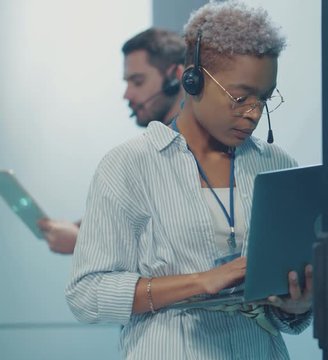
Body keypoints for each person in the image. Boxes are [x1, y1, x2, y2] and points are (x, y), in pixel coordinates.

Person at [65, 2, 313, 359]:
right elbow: (86, 294)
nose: (254, 113)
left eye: (265, 98)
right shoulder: (130, 165)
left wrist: (296, 305)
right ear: (192, 81)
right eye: (239, 97)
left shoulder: (277, 165)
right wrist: (200, 282)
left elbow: (287, 314)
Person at [38, 27, 186, 254]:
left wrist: (82, 242)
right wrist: (84, 228)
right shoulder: (147, 152)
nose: (127, 94)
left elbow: (175, 246)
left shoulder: (187, 150)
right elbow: (133, 219)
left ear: (175, 78)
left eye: (137, 82)